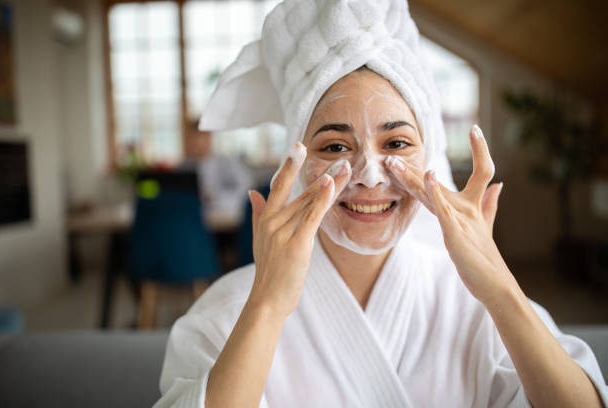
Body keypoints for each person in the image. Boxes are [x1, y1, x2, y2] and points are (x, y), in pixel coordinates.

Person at [155, 1, 608, 407]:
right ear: (292, 166)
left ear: (428, 158)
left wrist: (499, 286)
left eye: (396, 141)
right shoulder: (227, 314)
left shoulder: (475, 304)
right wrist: (268, 307)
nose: (369, 174)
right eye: (334, 147)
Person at [179, 118, 251, 222]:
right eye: (193, 138)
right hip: (192, 219)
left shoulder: (227, 162)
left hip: (225, 218)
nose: (197, 142)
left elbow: (247, 190)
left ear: (210, 137)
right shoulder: (183, 167)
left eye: (200, 137)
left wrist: (214, 198)